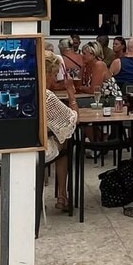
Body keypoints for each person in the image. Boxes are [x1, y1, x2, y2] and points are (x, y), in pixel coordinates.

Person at [43, 51, 78, 210]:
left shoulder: (22, 89)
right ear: (48, 73)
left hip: (8, 148)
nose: (54, 78)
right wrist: (71, 95)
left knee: (59, 135)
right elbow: (72, 119)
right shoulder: (47, 96)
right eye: (55, 74)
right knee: (64, 138)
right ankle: (62, 195)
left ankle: (62, 196)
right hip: (37, 150)